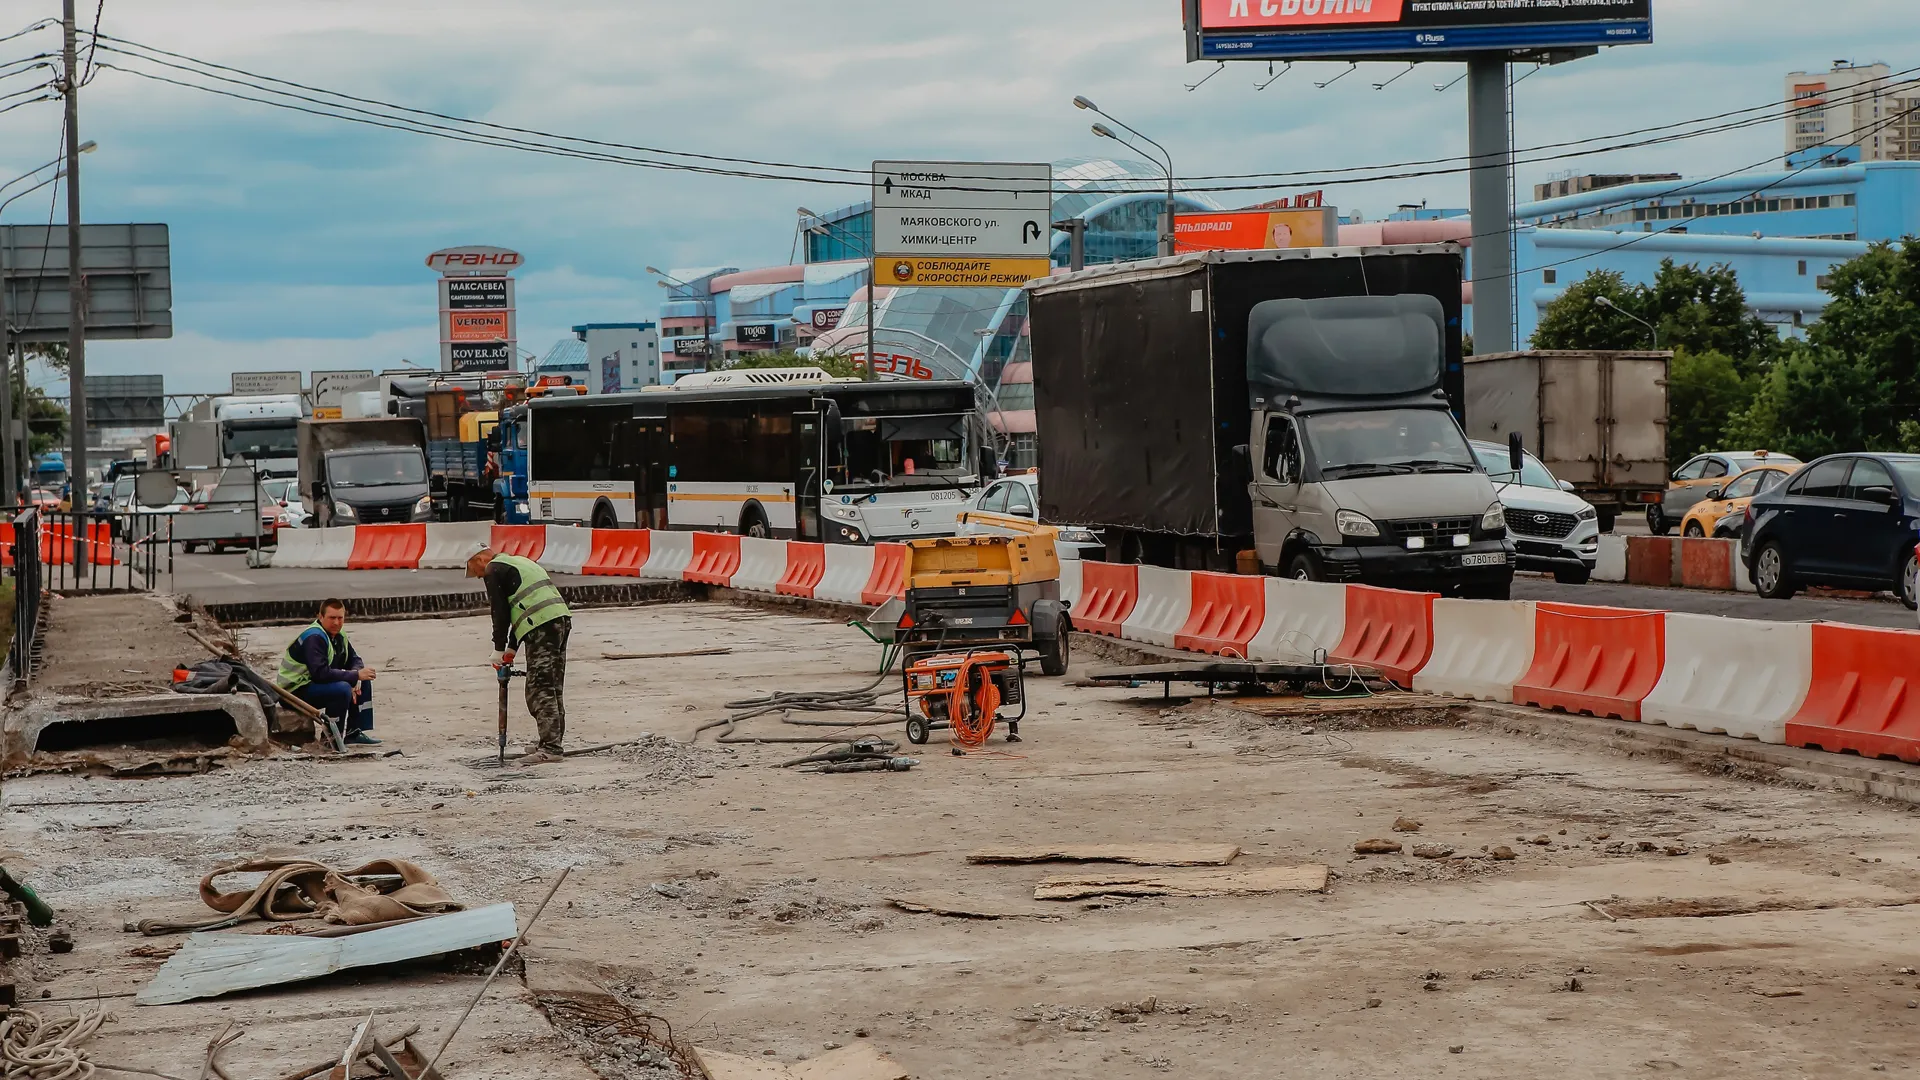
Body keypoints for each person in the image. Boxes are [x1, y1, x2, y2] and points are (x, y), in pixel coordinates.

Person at [464, 541, 572, 763]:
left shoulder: (493, 569)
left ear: (480, 559)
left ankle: (551, 748)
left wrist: (498, 648)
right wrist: (512, 648)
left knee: (539, 688)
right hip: (559, 620)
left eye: (474, 570)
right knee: (553, 684)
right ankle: (551, 741)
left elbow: (500, 612)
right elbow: (522, 608)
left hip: (541, 627)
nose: (477, 576)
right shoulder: (519, 562)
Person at [275, 598, 379, 745]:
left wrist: (356, 676)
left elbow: (354, 659)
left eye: (340, 618)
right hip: (293, 692)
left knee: (364, 679)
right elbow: (321, 673)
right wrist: (354, 675)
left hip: (312, 685)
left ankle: (353, 732)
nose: (336, 622)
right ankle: (330, 739)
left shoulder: (339, 634)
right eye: (332, 618)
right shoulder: (314, 638)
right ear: (320, 617)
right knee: (342, 689)